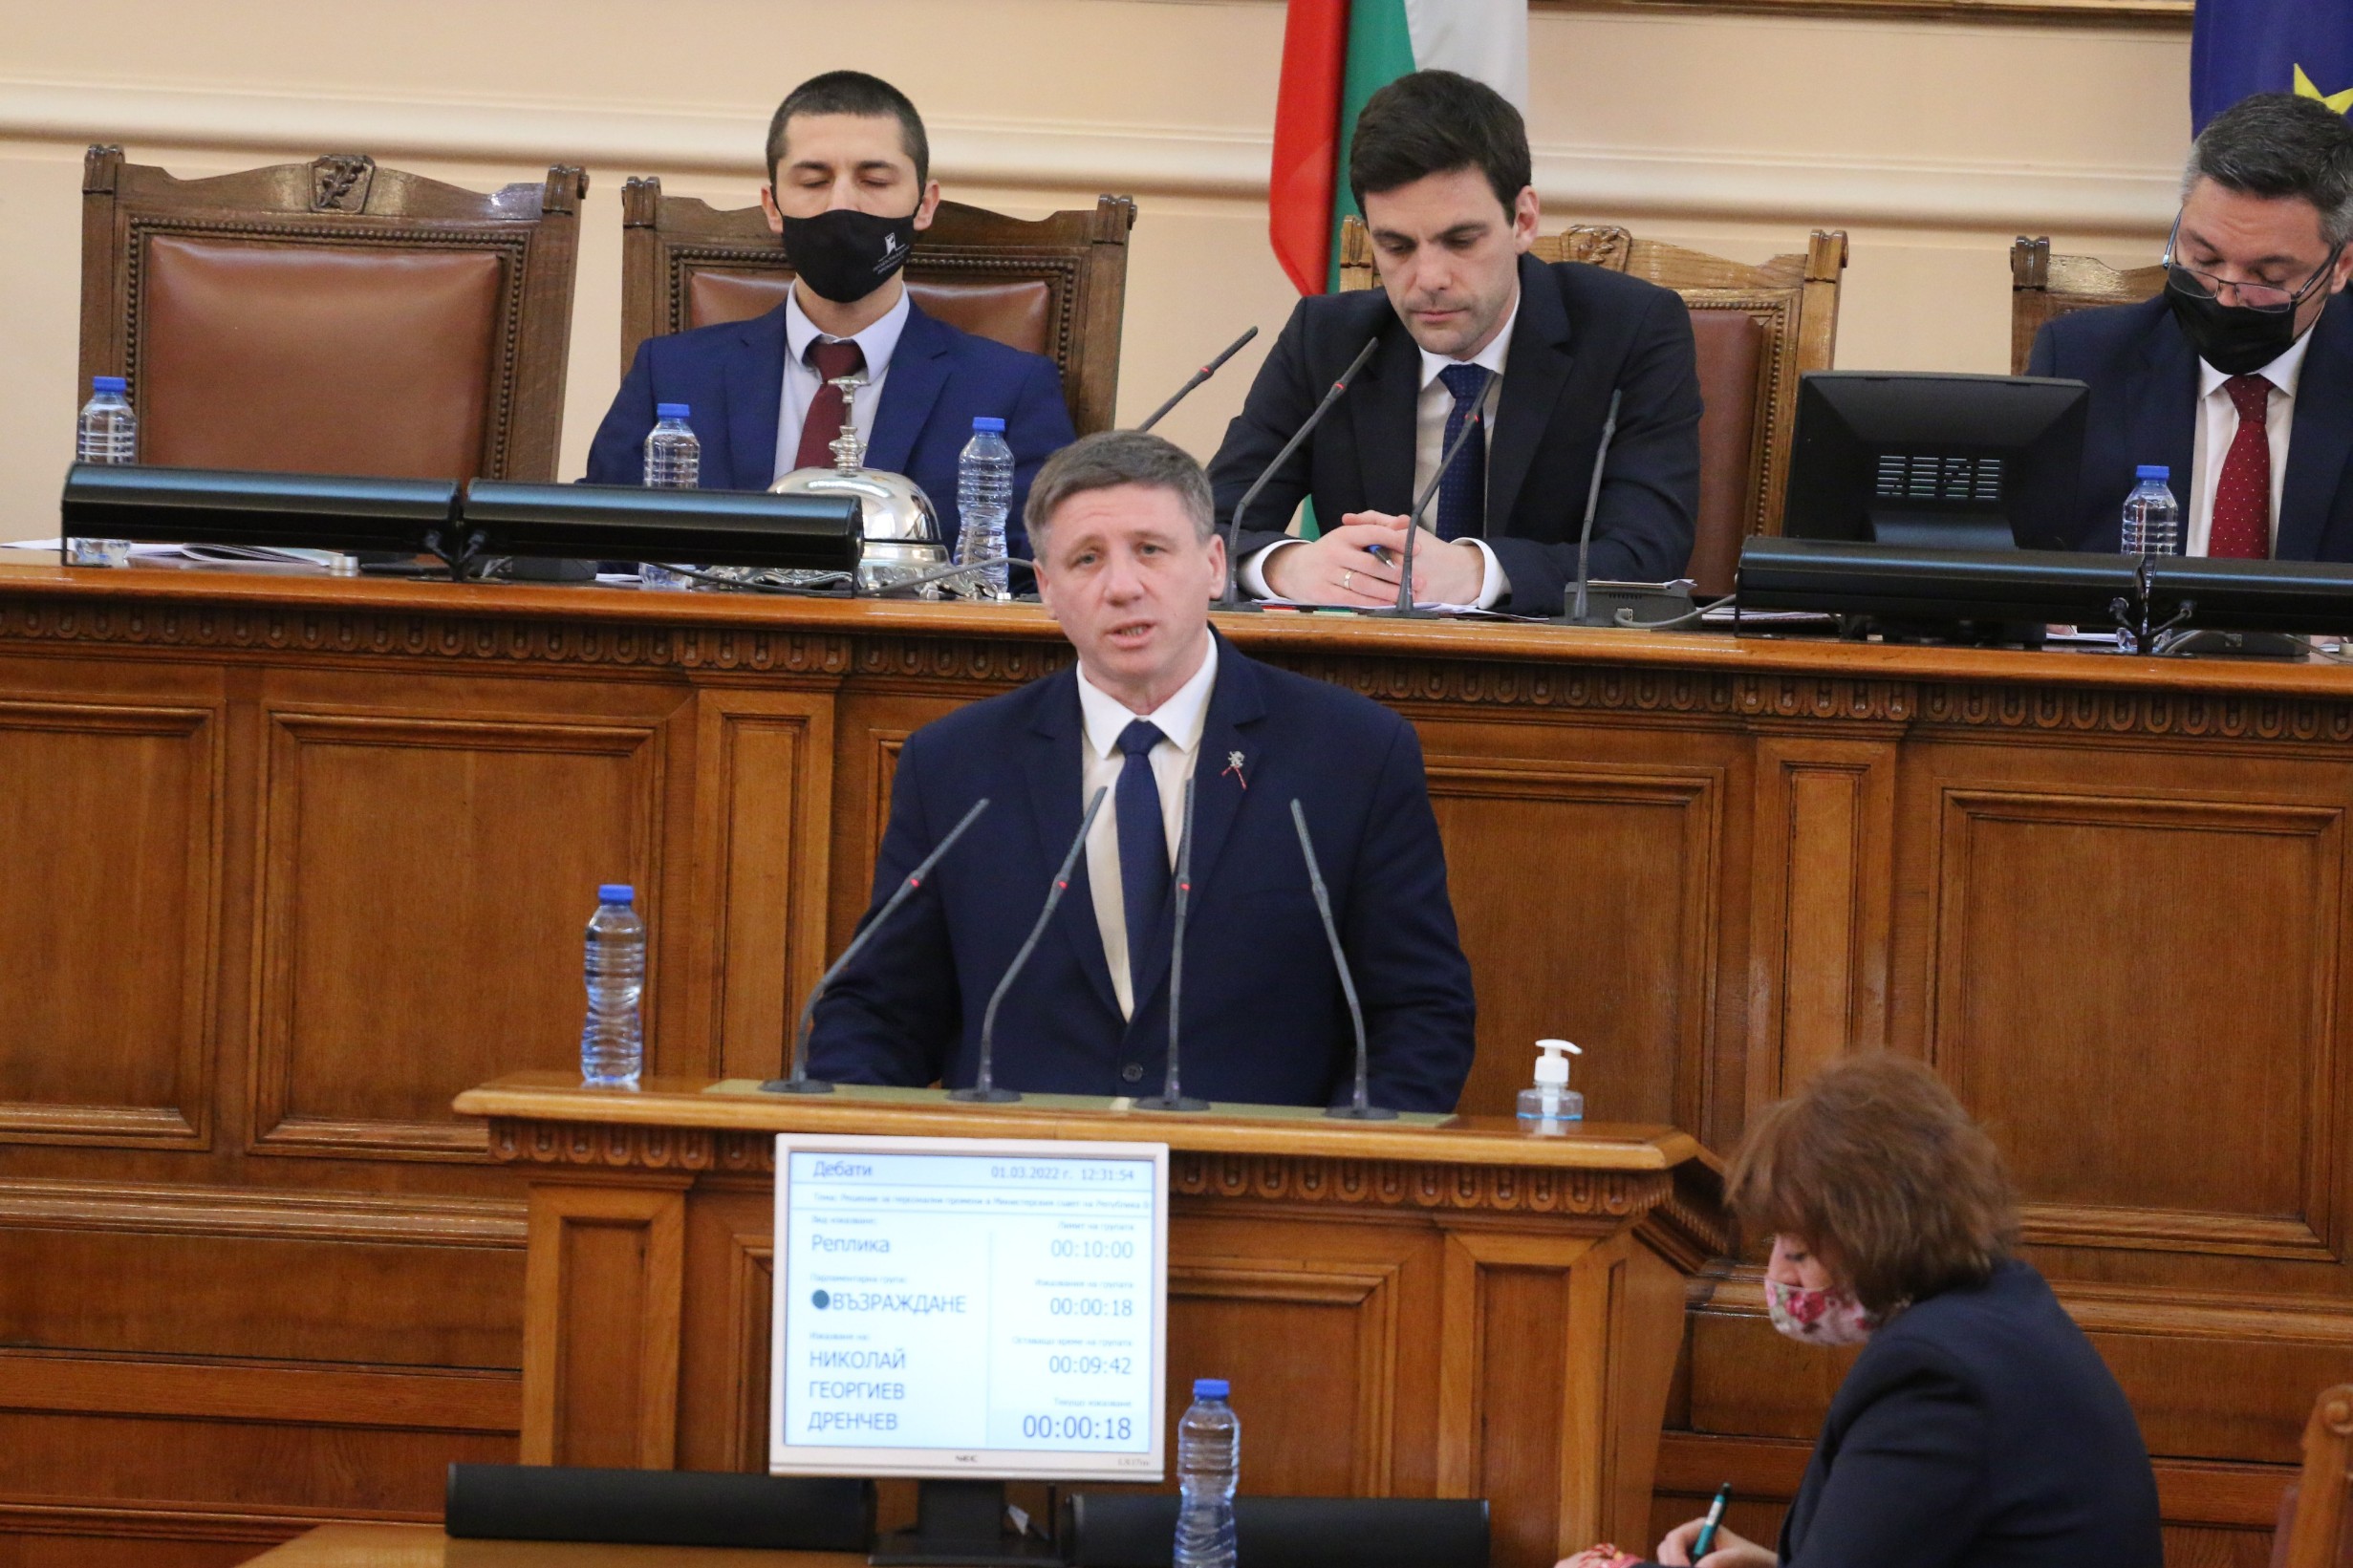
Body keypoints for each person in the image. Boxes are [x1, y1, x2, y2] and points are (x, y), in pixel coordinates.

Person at [805, 430, 1477, 1110]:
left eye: (1150, 550)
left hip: (1259, 1168)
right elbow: (880, 1013)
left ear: (1213, 565)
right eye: (1087, 559)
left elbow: (1419, 1014)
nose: (1123, 587)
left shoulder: (1350, 754)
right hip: (1025, 1165)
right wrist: (843, 1142)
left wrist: (1333, 1165)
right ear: (1047, 589)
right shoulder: (957, 765)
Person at [1589, 1055, 2161, 1568]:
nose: (1780, 1274)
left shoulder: (1935, 1376)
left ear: (1870, 1236)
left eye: (1800, 1251)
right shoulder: (2005, 1309)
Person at [1206, 70, 1702, 615]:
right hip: (1363, 657)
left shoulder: (1630, 331)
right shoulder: (1327, 340)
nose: (1429, 279)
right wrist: (1284, 566)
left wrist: (1476, 572)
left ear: (1523, 220)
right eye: (1397, 247)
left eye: (1460, 241)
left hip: (1555, 661)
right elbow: (1210, 526)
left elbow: (1648, 555)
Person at [584, 71, 1076, 557]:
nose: (842, 205)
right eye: (814, 181)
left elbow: (1037, 569)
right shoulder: (671, 374)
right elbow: (596, 547)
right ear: (773, 207)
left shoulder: (1010, 389)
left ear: (924, 205)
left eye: (875, 180)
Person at [2029, 92, 2353, 560]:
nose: (2225, 296)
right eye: (2204, 259)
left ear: (2340, 267)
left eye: (2268, 276)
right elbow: (2032, 560)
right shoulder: (2082, 364)